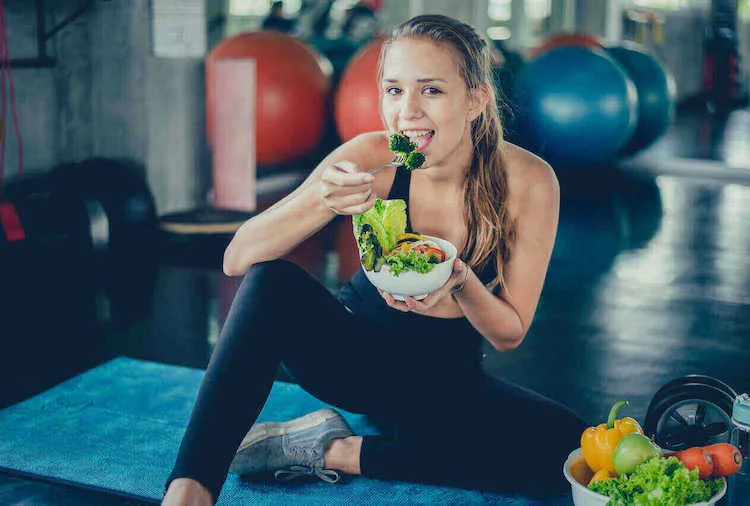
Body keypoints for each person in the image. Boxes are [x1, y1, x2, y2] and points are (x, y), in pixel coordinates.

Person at [162, 14, 588, 506]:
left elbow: (509, 331)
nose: (407, 112)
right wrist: (321, 200)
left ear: (475, 99)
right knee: (271, 282)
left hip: (445, 383)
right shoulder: (371, 156)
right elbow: (239, 258)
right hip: (353, 360)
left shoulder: (530, 182)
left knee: (570, 451)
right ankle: (188, 492)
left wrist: (460, 282)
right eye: (393, 90)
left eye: (430, 91)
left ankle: (338, 451)